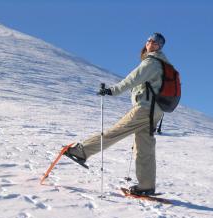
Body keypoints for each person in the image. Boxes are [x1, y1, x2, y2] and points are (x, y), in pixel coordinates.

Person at [65, 33, 170, 195]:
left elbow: (131, 79)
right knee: (145, 147)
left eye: (156, 42)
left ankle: (81, 151)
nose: (151, 42)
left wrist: (111, 91)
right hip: (156, 111)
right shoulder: (163, 64)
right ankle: (146, 185)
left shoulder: (152, 63)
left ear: (159, 47)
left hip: (145, 109)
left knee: (116, 131)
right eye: (149, 39)